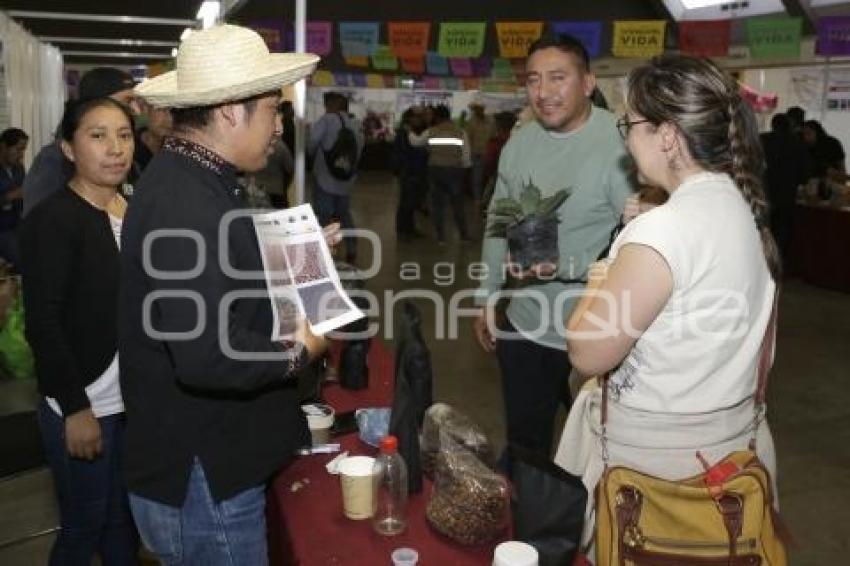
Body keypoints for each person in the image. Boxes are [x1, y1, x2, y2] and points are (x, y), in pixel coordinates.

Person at [119, 25, 333, 564]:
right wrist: (301, 348)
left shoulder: (192, 181)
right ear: (232, 111)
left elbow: (209, 273)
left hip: (206, 461)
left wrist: (291, 247)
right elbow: (209, 356)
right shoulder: (187, 203)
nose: (279, 126)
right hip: (203, 474)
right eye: (272, 110)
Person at [557, 54, 780, 543]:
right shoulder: (739, 207)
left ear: (667, 135)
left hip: (657, 480)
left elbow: (587, 350)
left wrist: (606, 271)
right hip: (727, 453)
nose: (626, 139)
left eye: (629, 124)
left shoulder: (662, 229)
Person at [473, 34, 635, 467]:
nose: (543, 92)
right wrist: (488, 294)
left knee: (604, 455)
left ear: (587, 82)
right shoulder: (521, 140)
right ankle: (531, 528)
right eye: (533, 80)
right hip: (526, 325)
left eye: (557, 78)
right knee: (527, 447)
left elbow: (640, 249)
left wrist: (563, 266)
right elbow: (498, 220)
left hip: (599, 332)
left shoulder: (621, 145)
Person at [20, 97, 139, 565]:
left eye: (124, 135)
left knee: (121, 524)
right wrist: (76, 409)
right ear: (68, 148)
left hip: (127, 403)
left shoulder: (128, 210)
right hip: (85, 401)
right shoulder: (53, 220)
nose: (115, 148)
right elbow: (43, 324)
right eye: (98, 135)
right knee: (83, 527)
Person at [22, 67, 136, 217]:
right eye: (127, 101)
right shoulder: (53, 159)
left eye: (125, 136)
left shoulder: (126, 156)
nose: (135, 110)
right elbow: (38, 220)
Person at [308, 91, 364, 262]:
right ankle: (352, 248)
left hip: (325, 177)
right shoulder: (356, 123)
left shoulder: (326, 120)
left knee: (324, 214)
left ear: (332, 105)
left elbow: (312, 142)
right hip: (346, 179)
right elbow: (360, 149)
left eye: (327, 105)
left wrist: (312, 156)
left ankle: (326, 250)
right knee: (344, 213)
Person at [410, 104, 472, 245]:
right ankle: (464, 236)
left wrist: (409, 131)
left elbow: (416, 142)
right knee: (457, 205)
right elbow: (466, 155)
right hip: (455, 171)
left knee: (438, 205)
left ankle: (441, 237)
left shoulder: (431, 131)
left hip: (435, 170)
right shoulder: (460, 132)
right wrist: (465, 169)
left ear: (437, 117)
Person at [760, 113, 809, 261]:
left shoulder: (763, 139)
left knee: (766, 228)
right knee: (783, 230)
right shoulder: (797, 143)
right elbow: (805, 170)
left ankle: (764, 259)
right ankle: (779, 261)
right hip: (787, 193)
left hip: (765, 191)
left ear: (773, 125)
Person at [392, 107, 429, 240]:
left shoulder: (417, 131)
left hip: (417, 171)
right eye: (417, 116)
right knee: (406, 203)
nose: (420, 119)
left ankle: (410, 228)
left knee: (412, 202)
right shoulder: (404, 133)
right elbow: (404, 154)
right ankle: (402, 231)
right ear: (409, 118)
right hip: (409, 172)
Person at [0, 128, 28, 266]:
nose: (21, 155)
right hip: (3, 229)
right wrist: (10, 196)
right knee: (25, 259)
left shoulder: (19, 168)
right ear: (4, 147)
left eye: (23, 150)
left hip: (18, 224)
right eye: (18, 149)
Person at [480, 111, 517, 211]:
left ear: (498, 125)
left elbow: (489, 163)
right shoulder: (519, 140)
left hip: (497, 179)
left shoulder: (495, 142)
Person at [465, 101, 495, 202]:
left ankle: (486, 199)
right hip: (476, 154)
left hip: (490, 154)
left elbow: (494, 135)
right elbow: (468, 140)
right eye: (476, 109)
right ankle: (478, 200)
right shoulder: (470, 122)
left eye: (479, 108)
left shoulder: (491, 121)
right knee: (477, 179)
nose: (478, 110)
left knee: (489, 179)